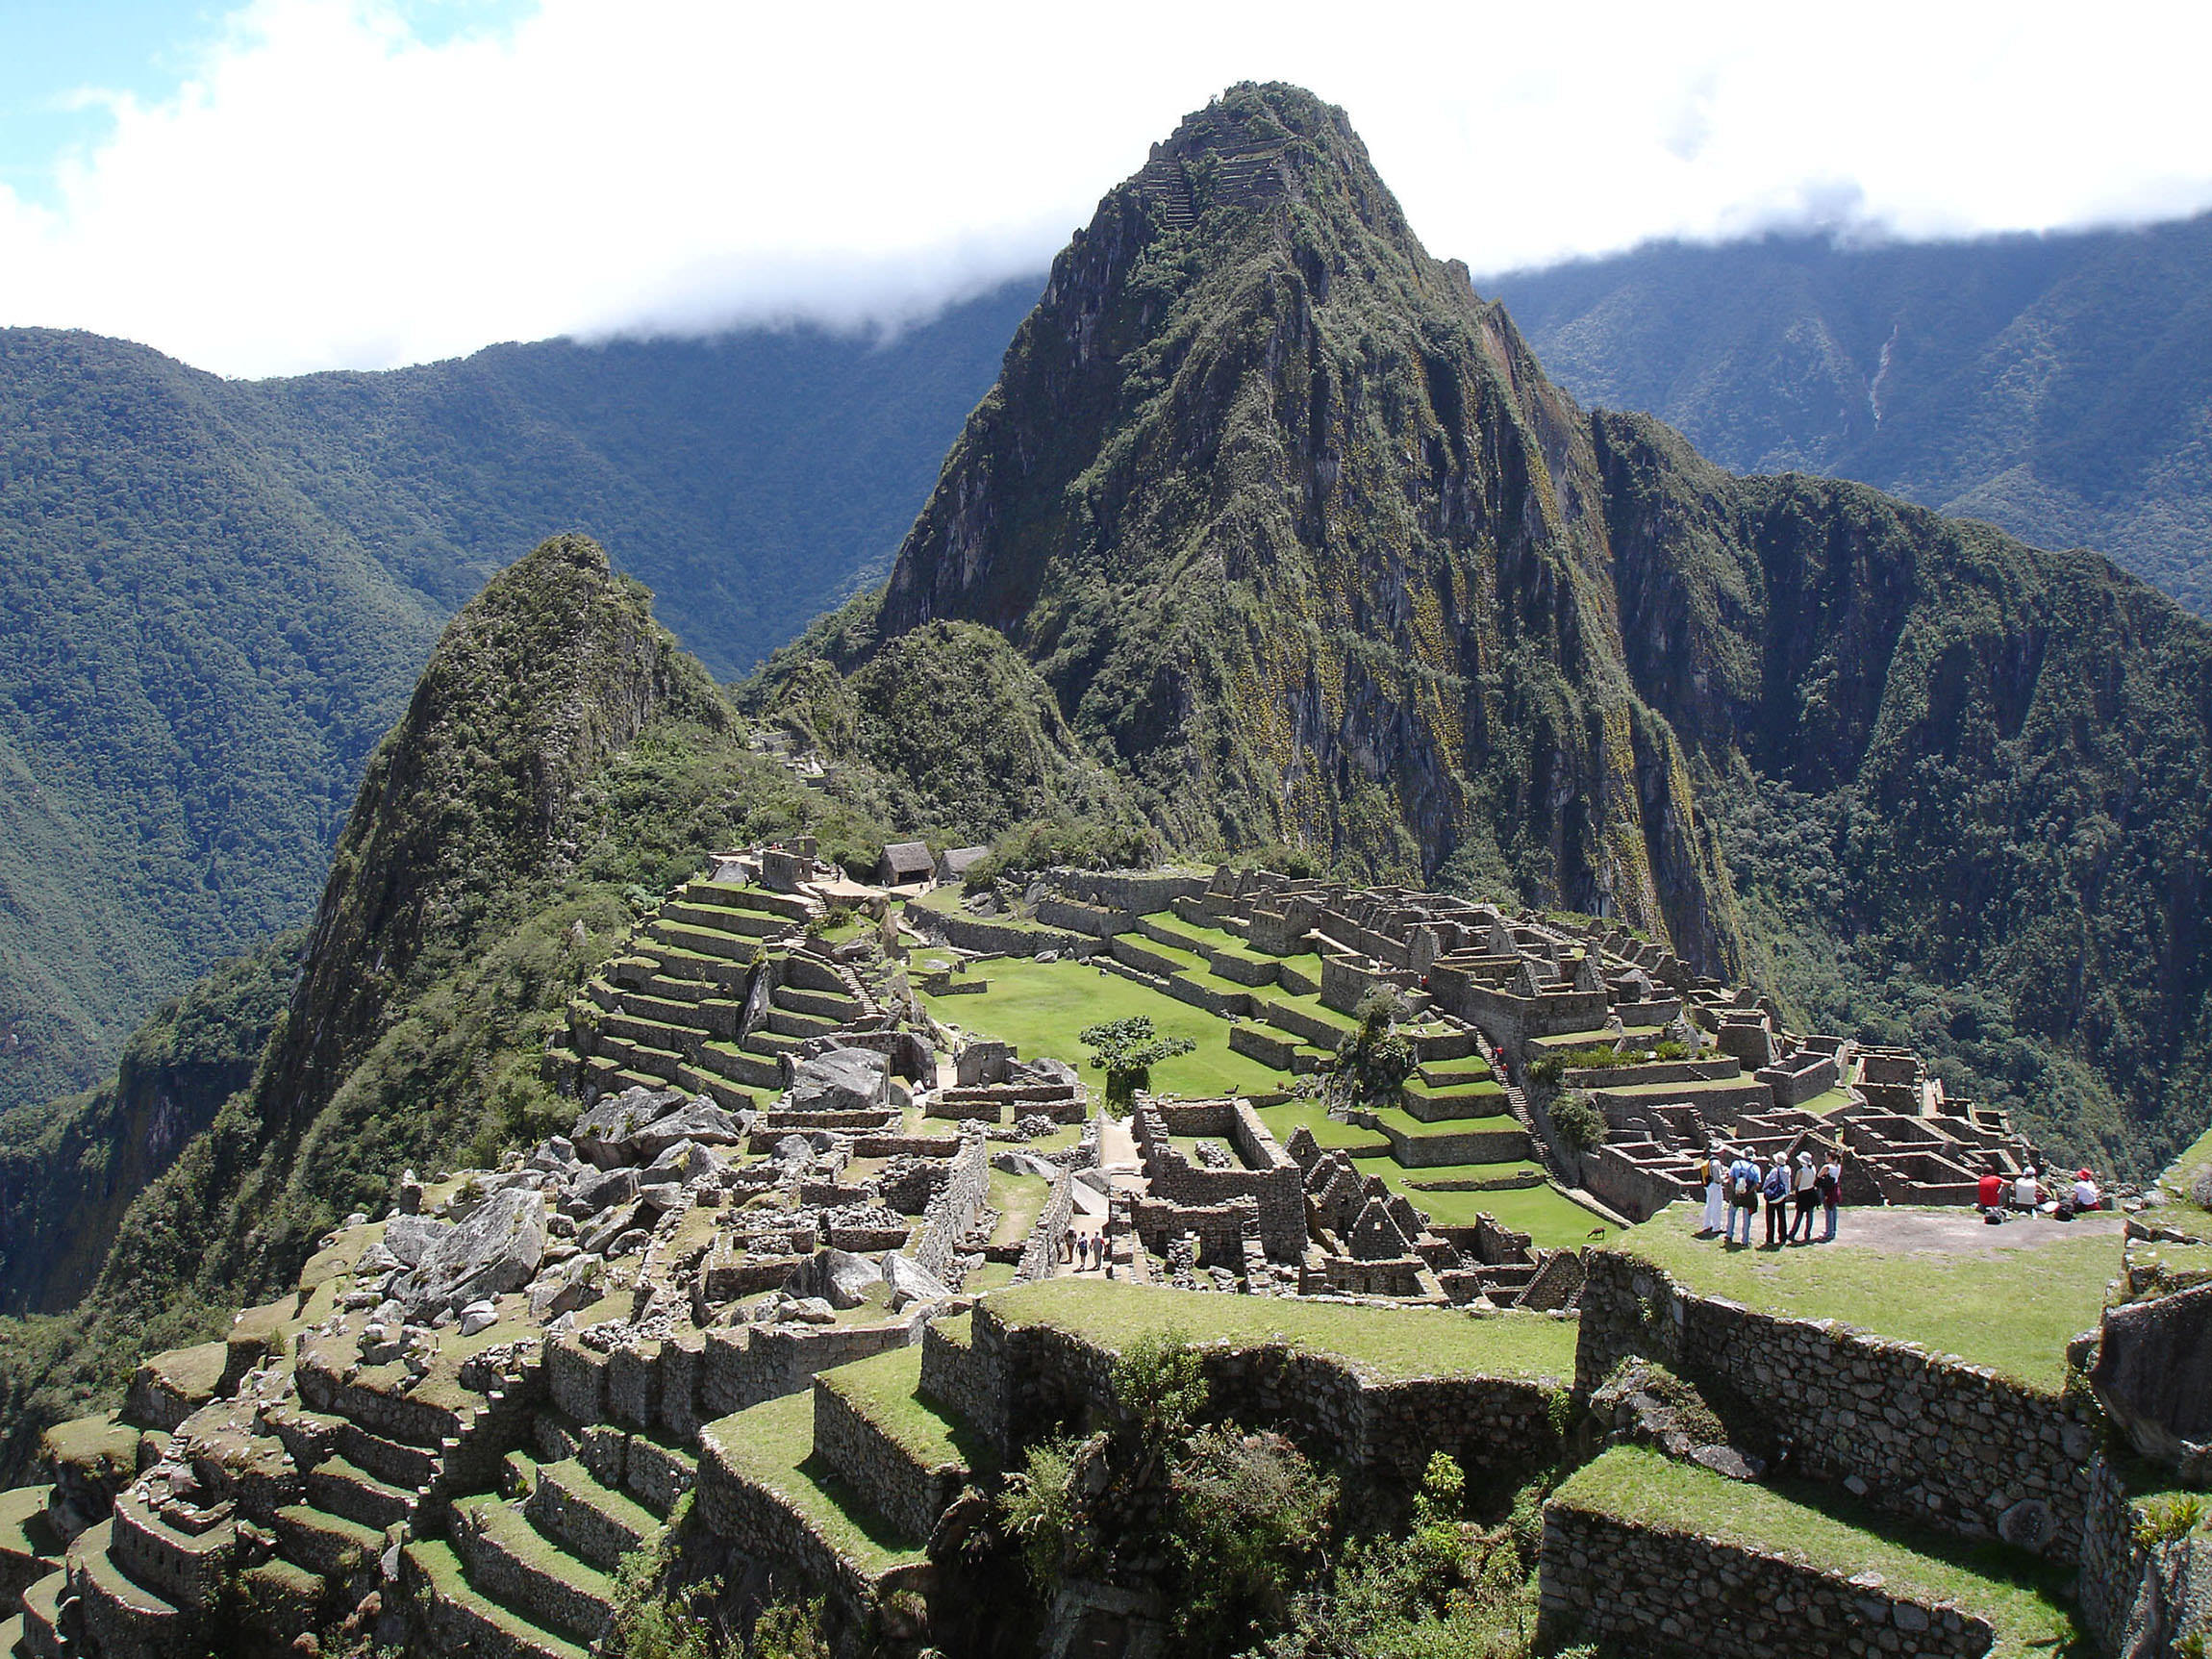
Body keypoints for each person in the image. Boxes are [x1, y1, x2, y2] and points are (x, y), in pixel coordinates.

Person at [1726, 1149, 1762, 1245]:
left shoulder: (1736, 1164)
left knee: (1731, 1213)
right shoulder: (1755, 1168)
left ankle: (1729, 1235)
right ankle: (1745, 1240)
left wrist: (1735, 1190)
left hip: (1736, 1193)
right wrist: (1749, 1192)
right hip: (1748, 1196)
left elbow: (1730, 1178)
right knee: (1747, 1218)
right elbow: (1758, 1183)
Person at [1763, 1152, 1793, 1246]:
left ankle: (1770, 1239)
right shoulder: (1787, 1170)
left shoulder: (1775, 1171)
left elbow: (1768, 1181)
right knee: (1782, 1217)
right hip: (1782, 1195)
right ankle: (1783, 1237)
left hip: (1773, 1195)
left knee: (1770, 1218)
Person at [1790, 1150, 1820, 1242]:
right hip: (1811, 1192)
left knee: (1799, 1215)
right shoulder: (1813, 1168)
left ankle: (1792, 1234)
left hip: (1802, 1193)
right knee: (1810, 1215)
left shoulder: (1801, 1171)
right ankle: (1807, 1234)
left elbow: (1796, 1183)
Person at [1701, 1143, 1728, 1236]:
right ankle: (1716, 1227)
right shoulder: (1716, 1163)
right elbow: (1717, 1178)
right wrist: (1725, 1176)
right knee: (1717, 1206)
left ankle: (1707, 1224)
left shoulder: (1710, 1160)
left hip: (1709, 1185)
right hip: (1715, 1185)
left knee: (1709, 1205)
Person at [1818, 1153, 1843, 1242]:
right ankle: (1832, 1230)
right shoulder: (1838, 1166)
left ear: (1830, 1158)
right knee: (1833, 1210)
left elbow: (1819, 1175)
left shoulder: (1827, 1167)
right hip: (1834, 1189)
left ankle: (1829, 1232)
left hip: (1828, 1190)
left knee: (1828, 1210)